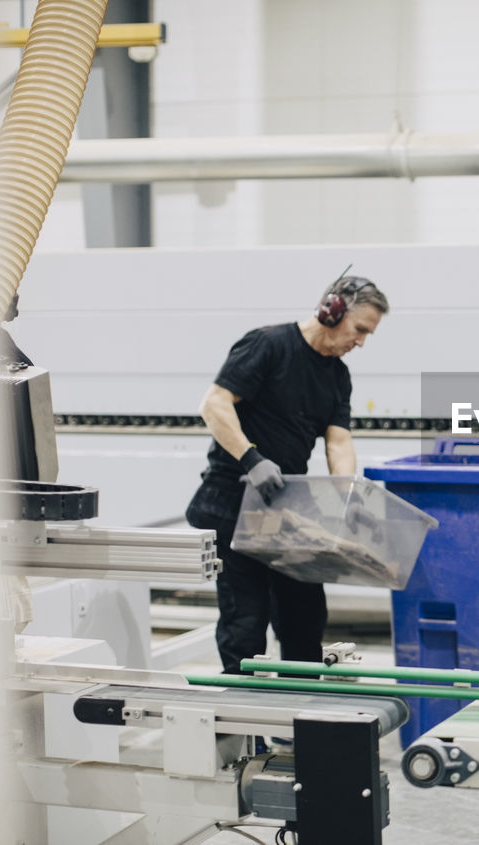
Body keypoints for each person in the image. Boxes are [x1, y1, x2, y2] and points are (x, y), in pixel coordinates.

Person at [186, 274, 389, 673]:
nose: (361, 341)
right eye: (360, 329)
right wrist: (251, 458)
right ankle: (246, 725)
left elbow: (339, 442)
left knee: (304, 618)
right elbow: (215, 404)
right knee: (245, 621)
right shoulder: (268, 345)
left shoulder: (337, 375)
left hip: (289, 507)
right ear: (333, 311)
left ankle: (299, 720)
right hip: (237, 503)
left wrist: (347, 495)